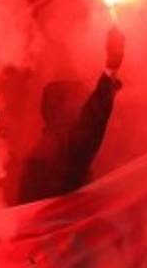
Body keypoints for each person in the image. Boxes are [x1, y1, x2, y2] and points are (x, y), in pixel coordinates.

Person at [17, 25, 125, 203]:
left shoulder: (36, 157)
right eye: (79, 101)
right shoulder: (65, 148)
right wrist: (111, 67)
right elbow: (92, 121)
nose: (81, 107)